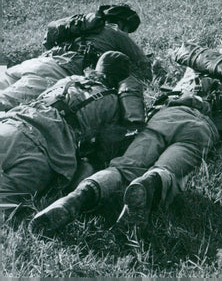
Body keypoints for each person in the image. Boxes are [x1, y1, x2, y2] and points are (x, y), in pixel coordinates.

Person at [31, 20, 222, 231]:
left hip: (165, 115)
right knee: (169, 170)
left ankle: (74, 199)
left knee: (123, 167)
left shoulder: (200, 58)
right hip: (200, 126)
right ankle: (149, 183)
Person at [0, 51, 132, 208]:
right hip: (46, 152)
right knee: (4, 205)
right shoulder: (113, 102)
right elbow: (105, 151)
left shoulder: (69, 80)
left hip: (14, 125)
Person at [0, 5, 151, 133]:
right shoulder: (117, 33)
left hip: (35, 62)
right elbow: (144, 67)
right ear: (122, 23)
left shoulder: (79, 27)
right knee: (4, 103)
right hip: (55, 71)